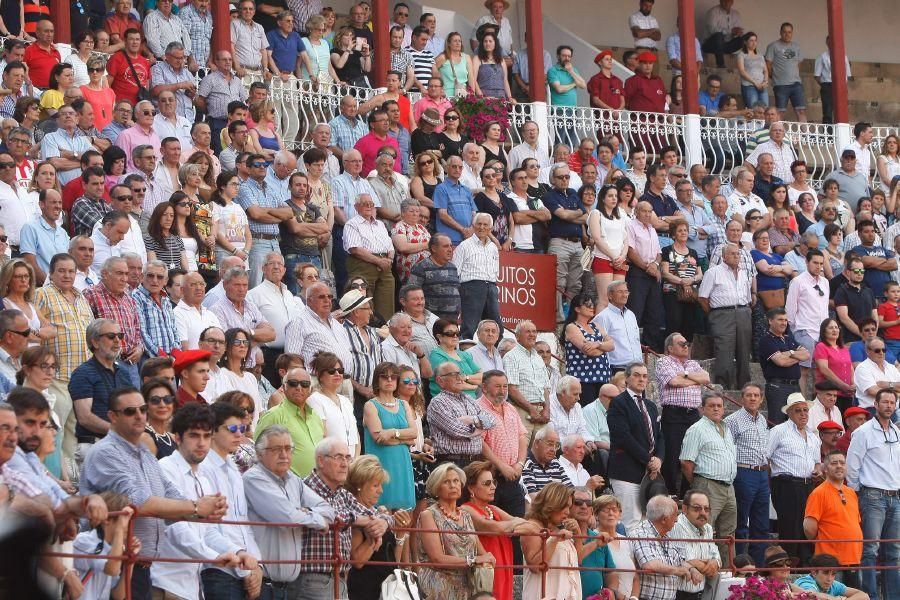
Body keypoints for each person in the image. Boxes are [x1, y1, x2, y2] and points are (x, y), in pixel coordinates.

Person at [79, 387, 228, 599]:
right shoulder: (105, 452)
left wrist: (204, 511)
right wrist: (196, 507)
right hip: (110, 567)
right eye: (130, 411)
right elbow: (139, 503)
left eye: (142, 409)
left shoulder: (144, 454)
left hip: (141, 567)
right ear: (112, 416)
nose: (139, 415)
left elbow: (171, 494)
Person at [846, 388, 900, 600]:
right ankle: (870, 597)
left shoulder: (896, 432)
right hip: (872, 495)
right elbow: (852, 467)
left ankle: (893, 597)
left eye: (892, 402)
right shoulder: (864, 432)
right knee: (870, 550)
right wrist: (859, 495)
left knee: (893, 551)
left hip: (895, 496)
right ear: (875, 405)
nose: (888, 406)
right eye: (884, 402)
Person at [416, 462, 496, 600]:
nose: (453, 485)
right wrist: (474, 560)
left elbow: (481, 552)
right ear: (436, 487)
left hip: (468, 585)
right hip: (439, 585)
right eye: (446, 482)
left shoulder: (465, 515)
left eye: (456, 481)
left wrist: (488, 559)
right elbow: (437, 558)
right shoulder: (428, 515)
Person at [680, 392, 738, 566]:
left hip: (728, 486)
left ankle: (727, 575)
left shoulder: (726, 429)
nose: (716, 408)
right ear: (702, 409)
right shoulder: (697, 429)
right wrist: (699, 485)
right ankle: (704, 571)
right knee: (704, 529)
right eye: (711, 405)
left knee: (729, 533)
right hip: (708, 484)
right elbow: (686, 462)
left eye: (719, 405)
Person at [607, 362, 663, 530]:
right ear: (627, 379)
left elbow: (660, 437)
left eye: (645, 376)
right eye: (637, 375)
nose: (641, 379)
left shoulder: (651, 406)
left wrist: (659, 459)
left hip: (649, 474)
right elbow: (623, 437)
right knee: (630, 522)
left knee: (647, 524)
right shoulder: (618, 403)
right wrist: (649, 460)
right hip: (626, 472)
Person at [769, 393, 823, 566]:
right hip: (787, 484)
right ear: (789, 413)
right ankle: (787, 567)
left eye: (805, 410)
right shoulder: (778, 431)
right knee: (790, 528)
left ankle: (805, 566)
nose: (803, 414)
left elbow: (817, 463)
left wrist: (816, 471)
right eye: (798, 410)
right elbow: (765, 456)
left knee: (807, 527)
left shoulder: (813, 436)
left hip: (808, 485)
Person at [655, 332, 710, 497]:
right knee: (672, 455)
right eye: (681, 343)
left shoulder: (692, 363)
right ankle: (670, 492)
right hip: (674, 414)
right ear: (670, 348)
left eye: (687, 343)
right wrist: (695, 380)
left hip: (693, 415)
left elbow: (706, 378)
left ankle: (687, 493)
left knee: (692, 455)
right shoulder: (663, 361)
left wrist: (685, 375)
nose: (686, 345)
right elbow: (673, 382)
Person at [803, 450, 864, 590]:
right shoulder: (818, 493)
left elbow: (854, 523)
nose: (839, 466)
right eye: (834, 463)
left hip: (854, 559)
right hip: (830, 564)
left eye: (842, 463)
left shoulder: (851, 493)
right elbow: (808, 528)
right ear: (825, 469)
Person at [361, 361, 416, 509]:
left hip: (402, 463)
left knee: (404, 514)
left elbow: (414, 433)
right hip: (381, 464)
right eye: (385, 377)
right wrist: (404, 440)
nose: (390, 380)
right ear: (377, 380)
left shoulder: (404, 404)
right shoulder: (370, 405)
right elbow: (380, 439)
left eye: (394, 377)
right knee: (382, 510)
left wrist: (392, 432)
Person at [698, 244, 753, 389]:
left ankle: (745, 387)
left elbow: (747, 296)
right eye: (733, 254)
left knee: (744, 351)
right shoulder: (713, 272)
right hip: (722, 314)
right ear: (724, 256)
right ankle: (724, 388)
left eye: (738, 254)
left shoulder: (743, 273)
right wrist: (714, 314)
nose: (736, 256)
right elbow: (703, 297)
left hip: (743, 312)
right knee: (724, 353)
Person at [631, 495, 699, 600]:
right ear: (664, 519)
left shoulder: (664, 536)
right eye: (675, 515)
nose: (676, 520)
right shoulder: (641, 534)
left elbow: (679, 560)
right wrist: (679, 571)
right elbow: (650, 565)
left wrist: (692, 569)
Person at [759, 307, 808, 421]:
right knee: (778, 421)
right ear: (770, 321)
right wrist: (796, 355)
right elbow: (781, 362)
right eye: (780, 319)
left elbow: (806, 355)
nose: (784, 323)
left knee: (797, 421)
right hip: (778, 387)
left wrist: (789, 353)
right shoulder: (766, 340)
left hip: (795, 386)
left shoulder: (788, 339)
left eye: (785, 320)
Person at [853, 337, 900, 414]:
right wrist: (896, 393)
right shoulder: (863, 368)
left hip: (895, 410)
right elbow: (873, 391)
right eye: (877, 350)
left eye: (883, 350)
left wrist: (887, 384)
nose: (881, 353)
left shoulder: (891, 367)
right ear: (868, 351)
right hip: (873, 411)